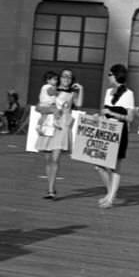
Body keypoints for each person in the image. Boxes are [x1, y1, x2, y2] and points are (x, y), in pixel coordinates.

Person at [36, 69, 83, 199]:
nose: (67, 79)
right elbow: (39, 106)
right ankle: (50, 187)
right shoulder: (52, 90)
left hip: (62, 126)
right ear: (60, 78)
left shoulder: (71, 93)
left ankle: (51, 189)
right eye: (64, 76)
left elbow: (79, 104)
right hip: (50, 124)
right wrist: (51, 110)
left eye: (69, 77)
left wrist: (81, 89)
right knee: (48, 158)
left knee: (55, 158)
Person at [95, 63, 136, 208]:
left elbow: (130, 117)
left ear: (116, 76)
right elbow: (105, 111)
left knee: (116, 166)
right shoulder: (108, 92)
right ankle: (110, 192)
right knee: (99, 165)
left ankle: (111, 197)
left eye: (110, 74)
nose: (108, 77)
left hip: (119, 130)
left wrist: (112, 114)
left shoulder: (128, 94)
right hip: (106, 129)